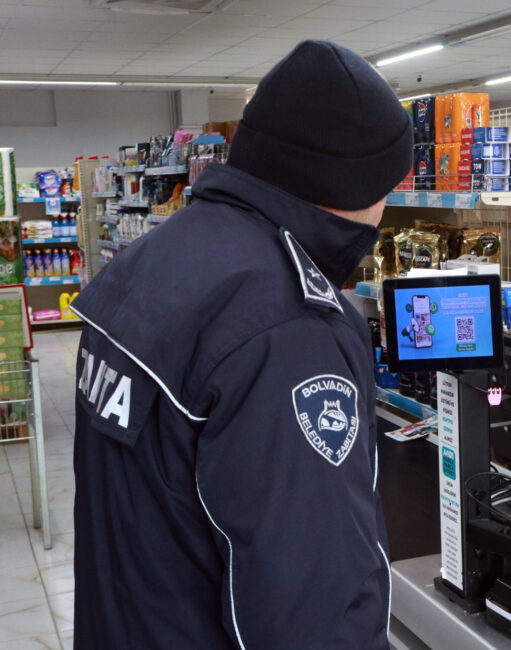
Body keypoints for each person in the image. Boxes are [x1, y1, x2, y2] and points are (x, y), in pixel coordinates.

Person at [70, 40, 411, 649]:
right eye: (387, 184)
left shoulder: (145, 264)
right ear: (353, 181)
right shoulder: (287, 328)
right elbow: (312, 604)